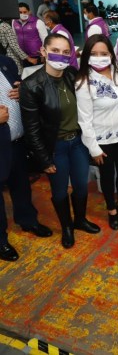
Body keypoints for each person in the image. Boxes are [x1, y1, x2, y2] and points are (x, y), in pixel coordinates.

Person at [20, 34, 100, 249]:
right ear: (43, 51)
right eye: (55, 50)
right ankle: (67, 227)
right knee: (59, 191)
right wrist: (44, 160)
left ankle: (80, 220)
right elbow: (32, 129)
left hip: (78, 143)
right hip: (56, 148)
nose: (61, 56)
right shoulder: (31, 85)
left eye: (66, 52)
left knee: (81, 186)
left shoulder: (72, 74)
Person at [76, 35, 118, 231]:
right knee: (107, 177)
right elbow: (84, 120)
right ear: (87, 56)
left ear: (111, 54)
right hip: (103, 141)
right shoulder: (84, 82)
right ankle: (112, 211)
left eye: (104, 53)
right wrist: (94, 149)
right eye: (94, 54)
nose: (99, 58)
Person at [0, 55, 53, 262]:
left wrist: (22, 91)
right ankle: (1, 240)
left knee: (21, 184)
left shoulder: (6, 62)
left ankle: (28, 220)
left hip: (17, 141)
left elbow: (19, 89)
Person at [12, 2, 47, 67]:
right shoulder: (14, 21)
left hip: (37, 56)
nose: (22, 14)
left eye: (25, 12)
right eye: (20, 12)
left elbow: (45, 40)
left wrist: (43, 55)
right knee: (26, 72)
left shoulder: (38, 22)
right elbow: (14, 37)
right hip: (23, 56)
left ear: (29, 12)